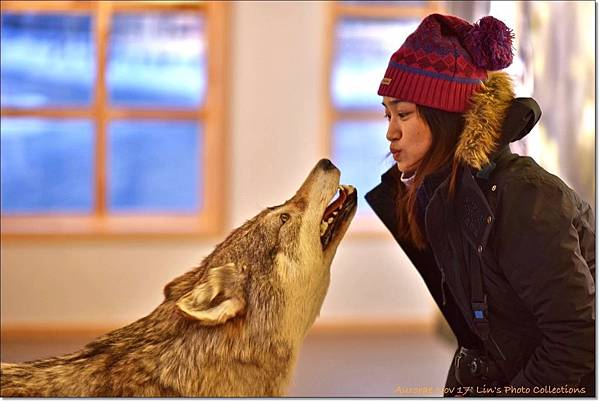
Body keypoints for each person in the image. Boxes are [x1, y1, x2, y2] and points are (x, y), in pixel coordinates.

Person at [364, 13, 595, 397]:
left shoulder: (526, 197)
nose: (391, 131)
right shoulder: (437, 196)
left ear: (445, 117)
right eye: (387, 114)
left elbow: (578, 339)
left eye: (403, 114)